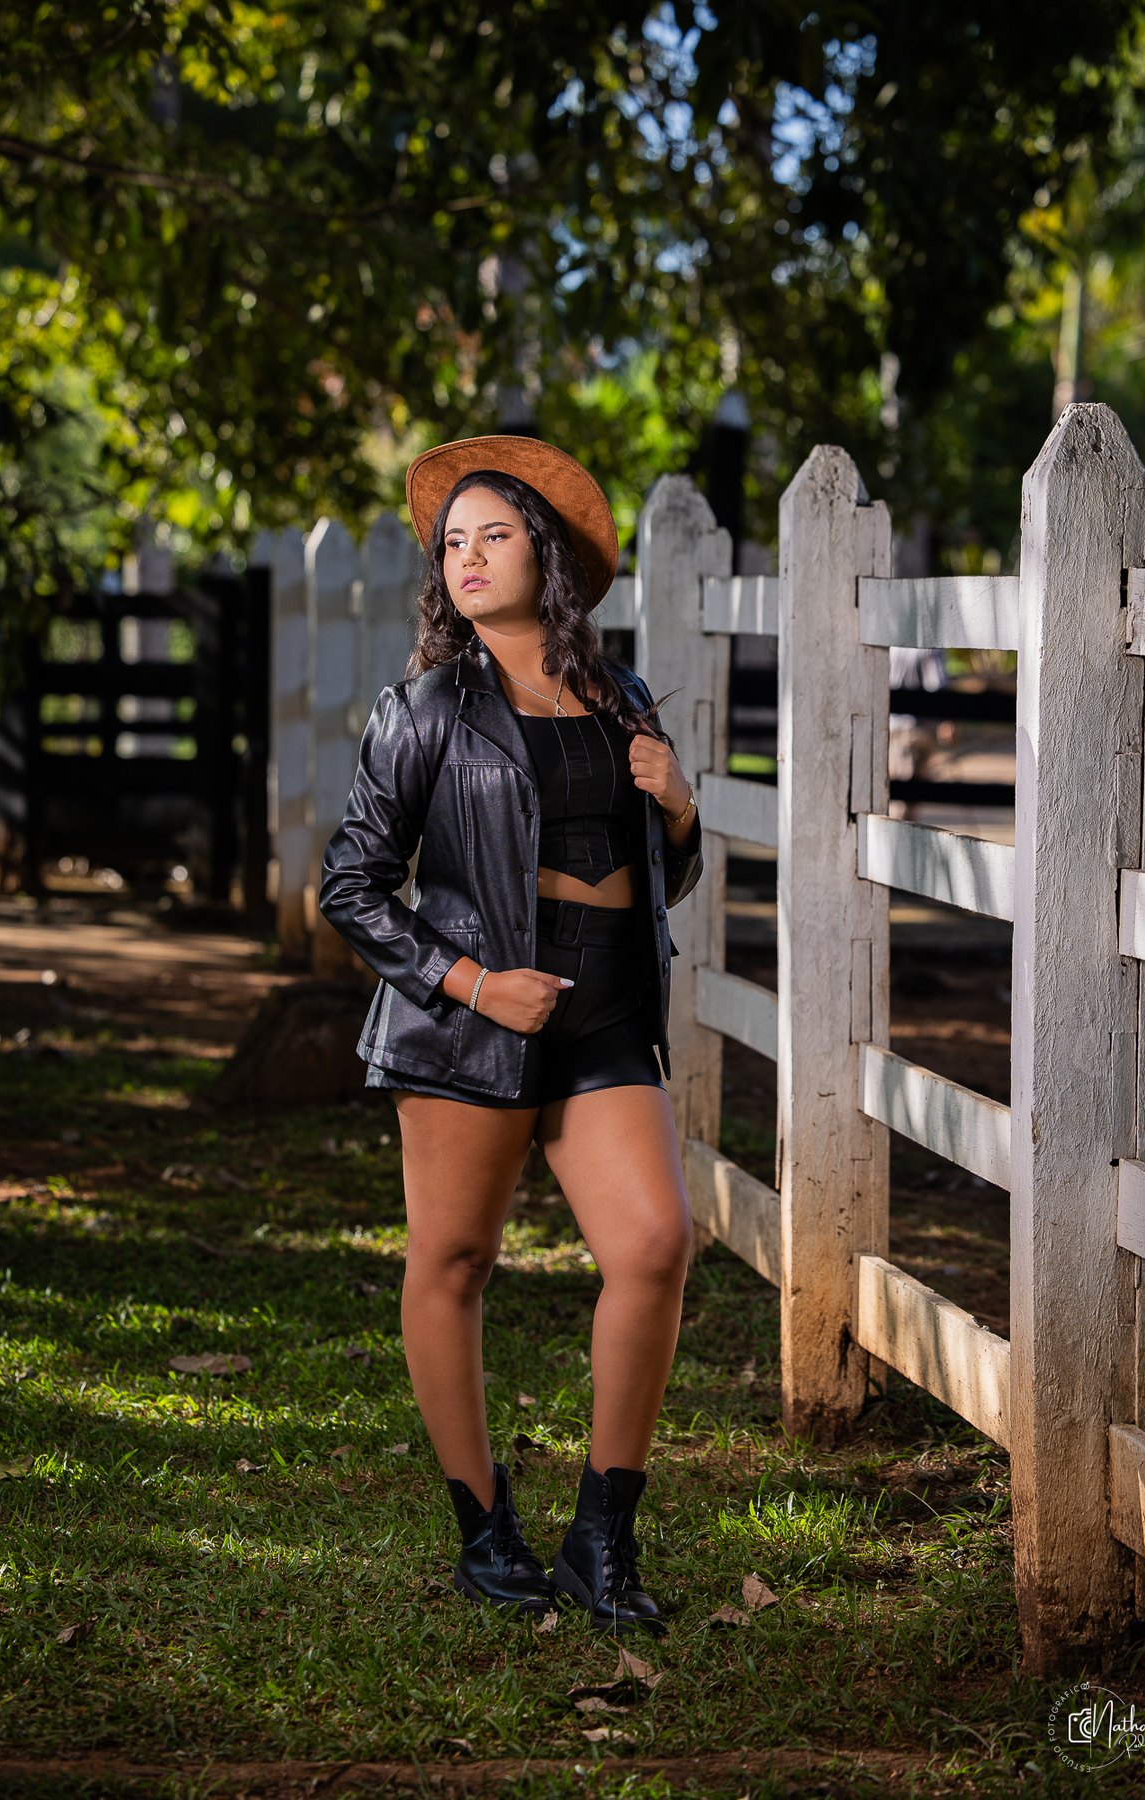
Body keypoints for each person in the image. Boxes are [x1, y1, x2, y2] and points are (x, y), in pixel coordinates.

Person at [320, 436, 702, 1635]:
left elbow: (664, 878)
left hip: (607, 1010)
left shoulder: (621, 695)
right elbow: (351, 885)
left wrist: (680, 808)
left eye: (495, 535)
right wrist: (476, 985)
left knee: (654, 1243)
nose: (470, 557)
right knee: (453, 1263)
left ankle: (602, 1537)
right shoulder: (425, 708)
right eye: (453, 543)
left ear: (545, 552)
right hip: (467, 1024)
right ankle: (486, 1533)